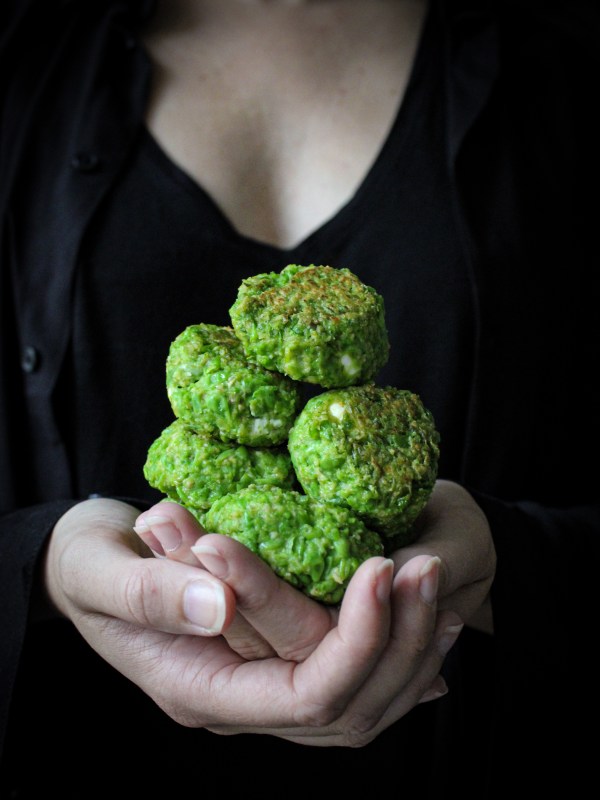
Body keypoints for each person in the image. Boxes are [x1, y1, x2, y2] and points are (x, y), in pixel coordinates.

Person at [0, 0, 597, 796]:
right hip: (81, 756)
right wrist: (44, 562)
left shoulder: (565, 71)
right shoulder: (23, 57)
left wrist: (505, 559)